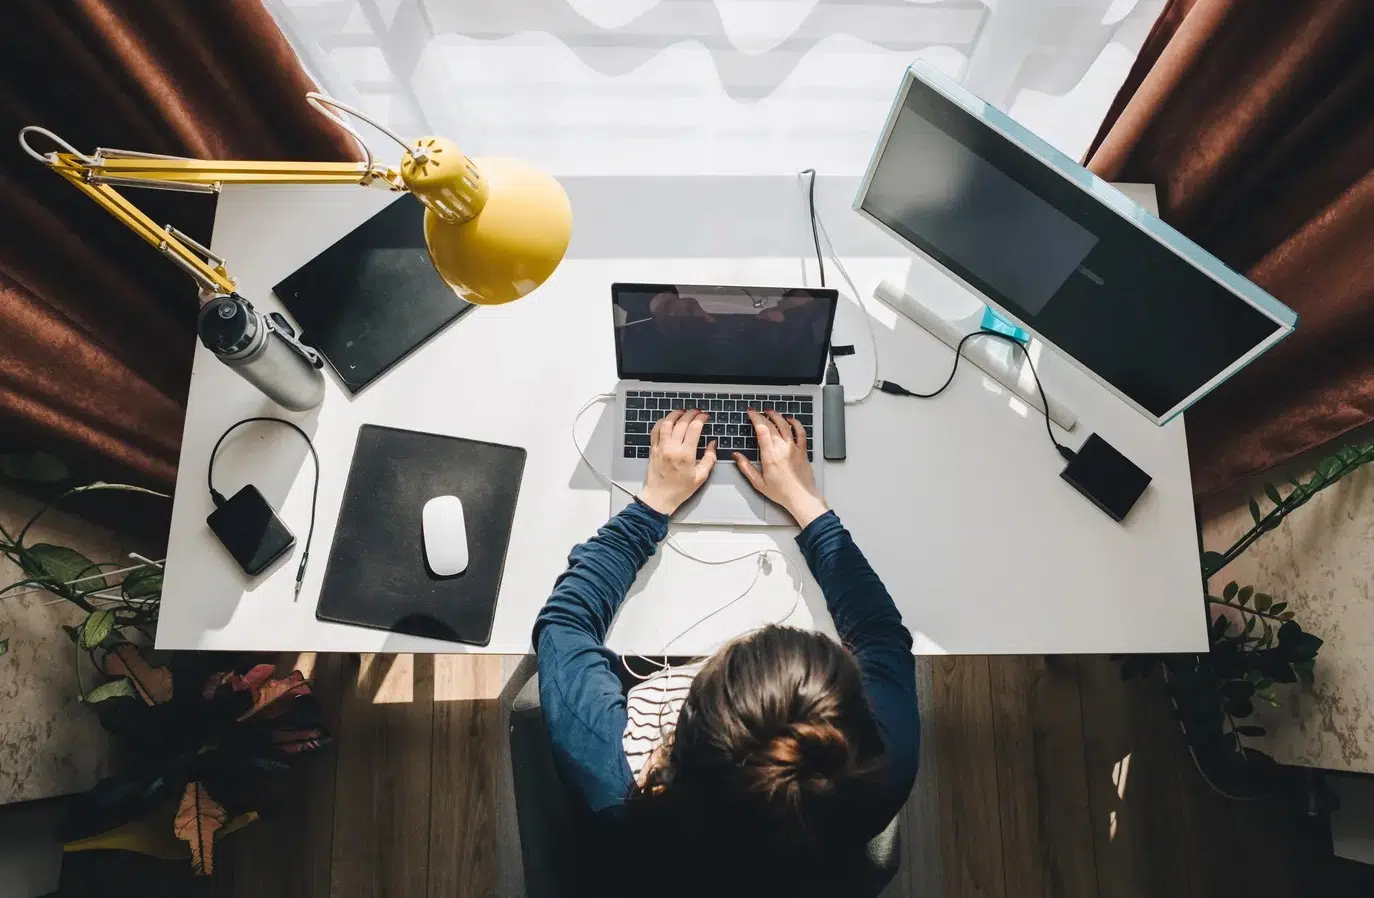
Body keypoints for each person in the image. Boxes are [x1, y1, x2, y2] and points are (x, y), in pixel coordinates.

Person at [532, 407, 918, 896]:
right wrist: (805, 500)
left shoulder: (619, 782)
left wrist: (651, 505)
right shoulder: (884, 764)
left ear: (683, 724)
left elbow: (565, 623)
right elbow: (880, 633)